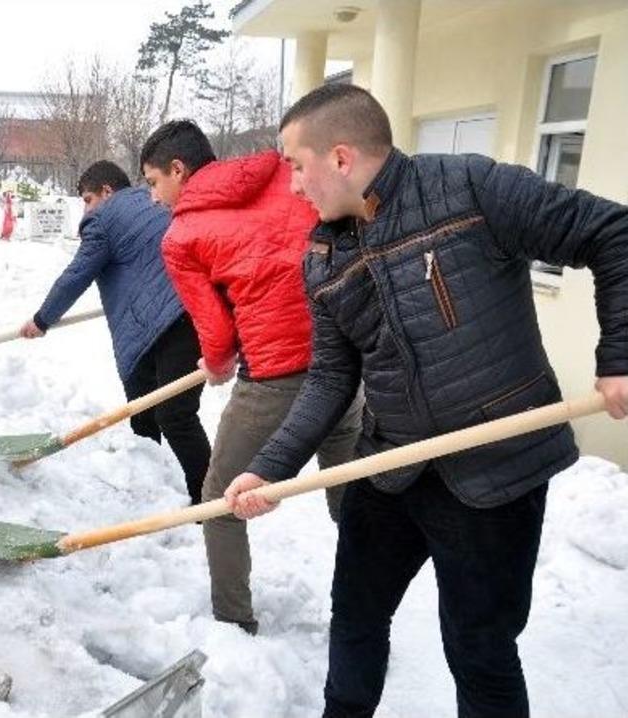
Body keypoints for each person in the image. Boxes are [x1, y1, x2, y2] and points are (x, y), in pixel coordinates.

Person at [224, 83, 628, 717]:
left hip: (495, 475)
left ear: (339, 157)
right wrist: (270, 467)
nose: (293, 186)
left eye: (296, 166)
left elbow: (613, 232)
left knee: (479, 648)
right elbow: (332, 377)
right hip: (390, 469)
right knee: (355, 619)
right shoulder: (324, 257)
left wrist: (620, 356)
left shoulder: (470, 189)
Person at [140, 120, 362, 636]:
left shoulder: (182, 236)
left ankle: (233, 624)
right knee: (351, 502)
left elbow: (216, 339)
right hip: (344, 363)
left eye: (154, 182)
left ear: (179, 170)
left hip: (276, 378)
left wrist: (216, 364)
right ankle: (363, 622)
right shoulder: (287, 176)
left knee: (221, 503)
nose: (153, 198)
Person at [20, 160, 211, 504]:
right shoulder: (154, 201)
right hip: (191, 313)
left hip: (168, 321)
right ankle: (154, 486)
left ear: (107, 191)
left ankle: (209, 500)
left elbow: (76, 275)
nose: (85, 209)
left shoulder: (104, 219)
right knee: (149, 404)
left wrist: (41, 320)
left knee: (172, 415)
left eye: (88, 199)